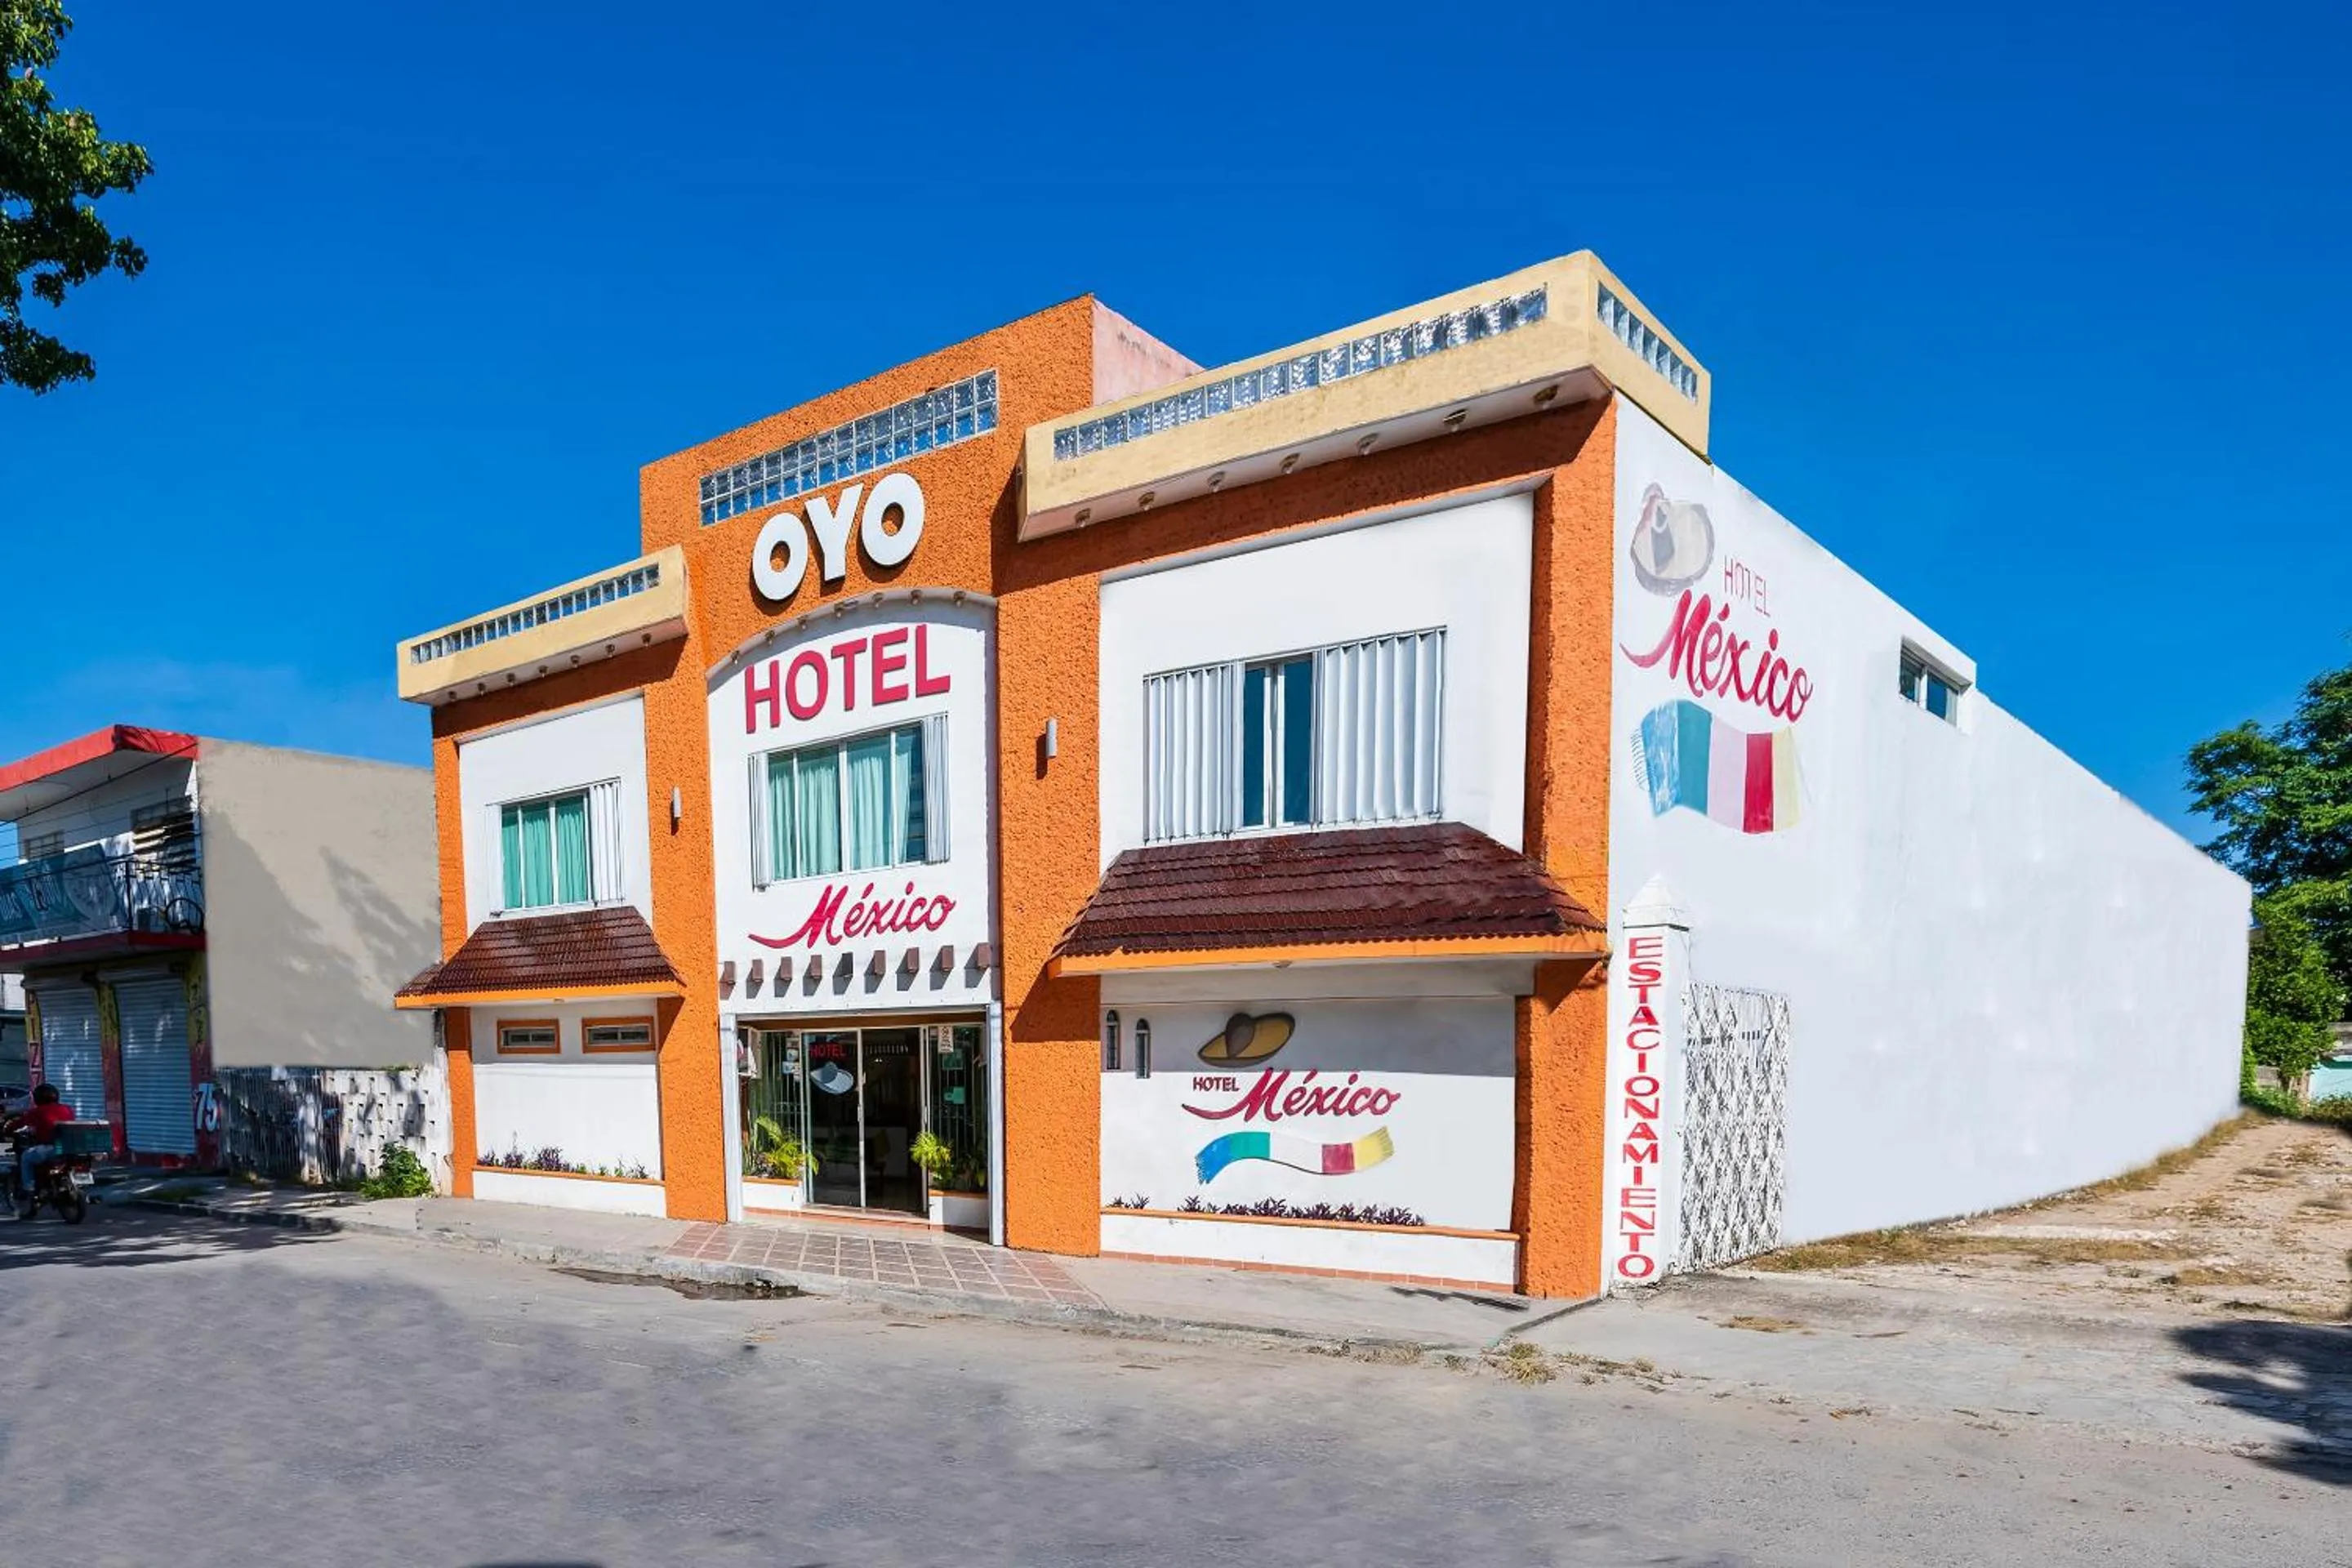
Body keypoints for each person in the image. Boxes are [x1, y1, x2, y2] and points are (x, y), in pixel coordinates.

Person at [9, 1085, 74, 1205]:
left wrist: (8, 1128)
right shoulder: (67, 1109)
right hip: (70, 1148)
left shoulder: (37, 1111)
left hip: (51, 1148)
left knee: (25, 1157)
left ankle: (29, 1188)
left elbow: (20, 1123)